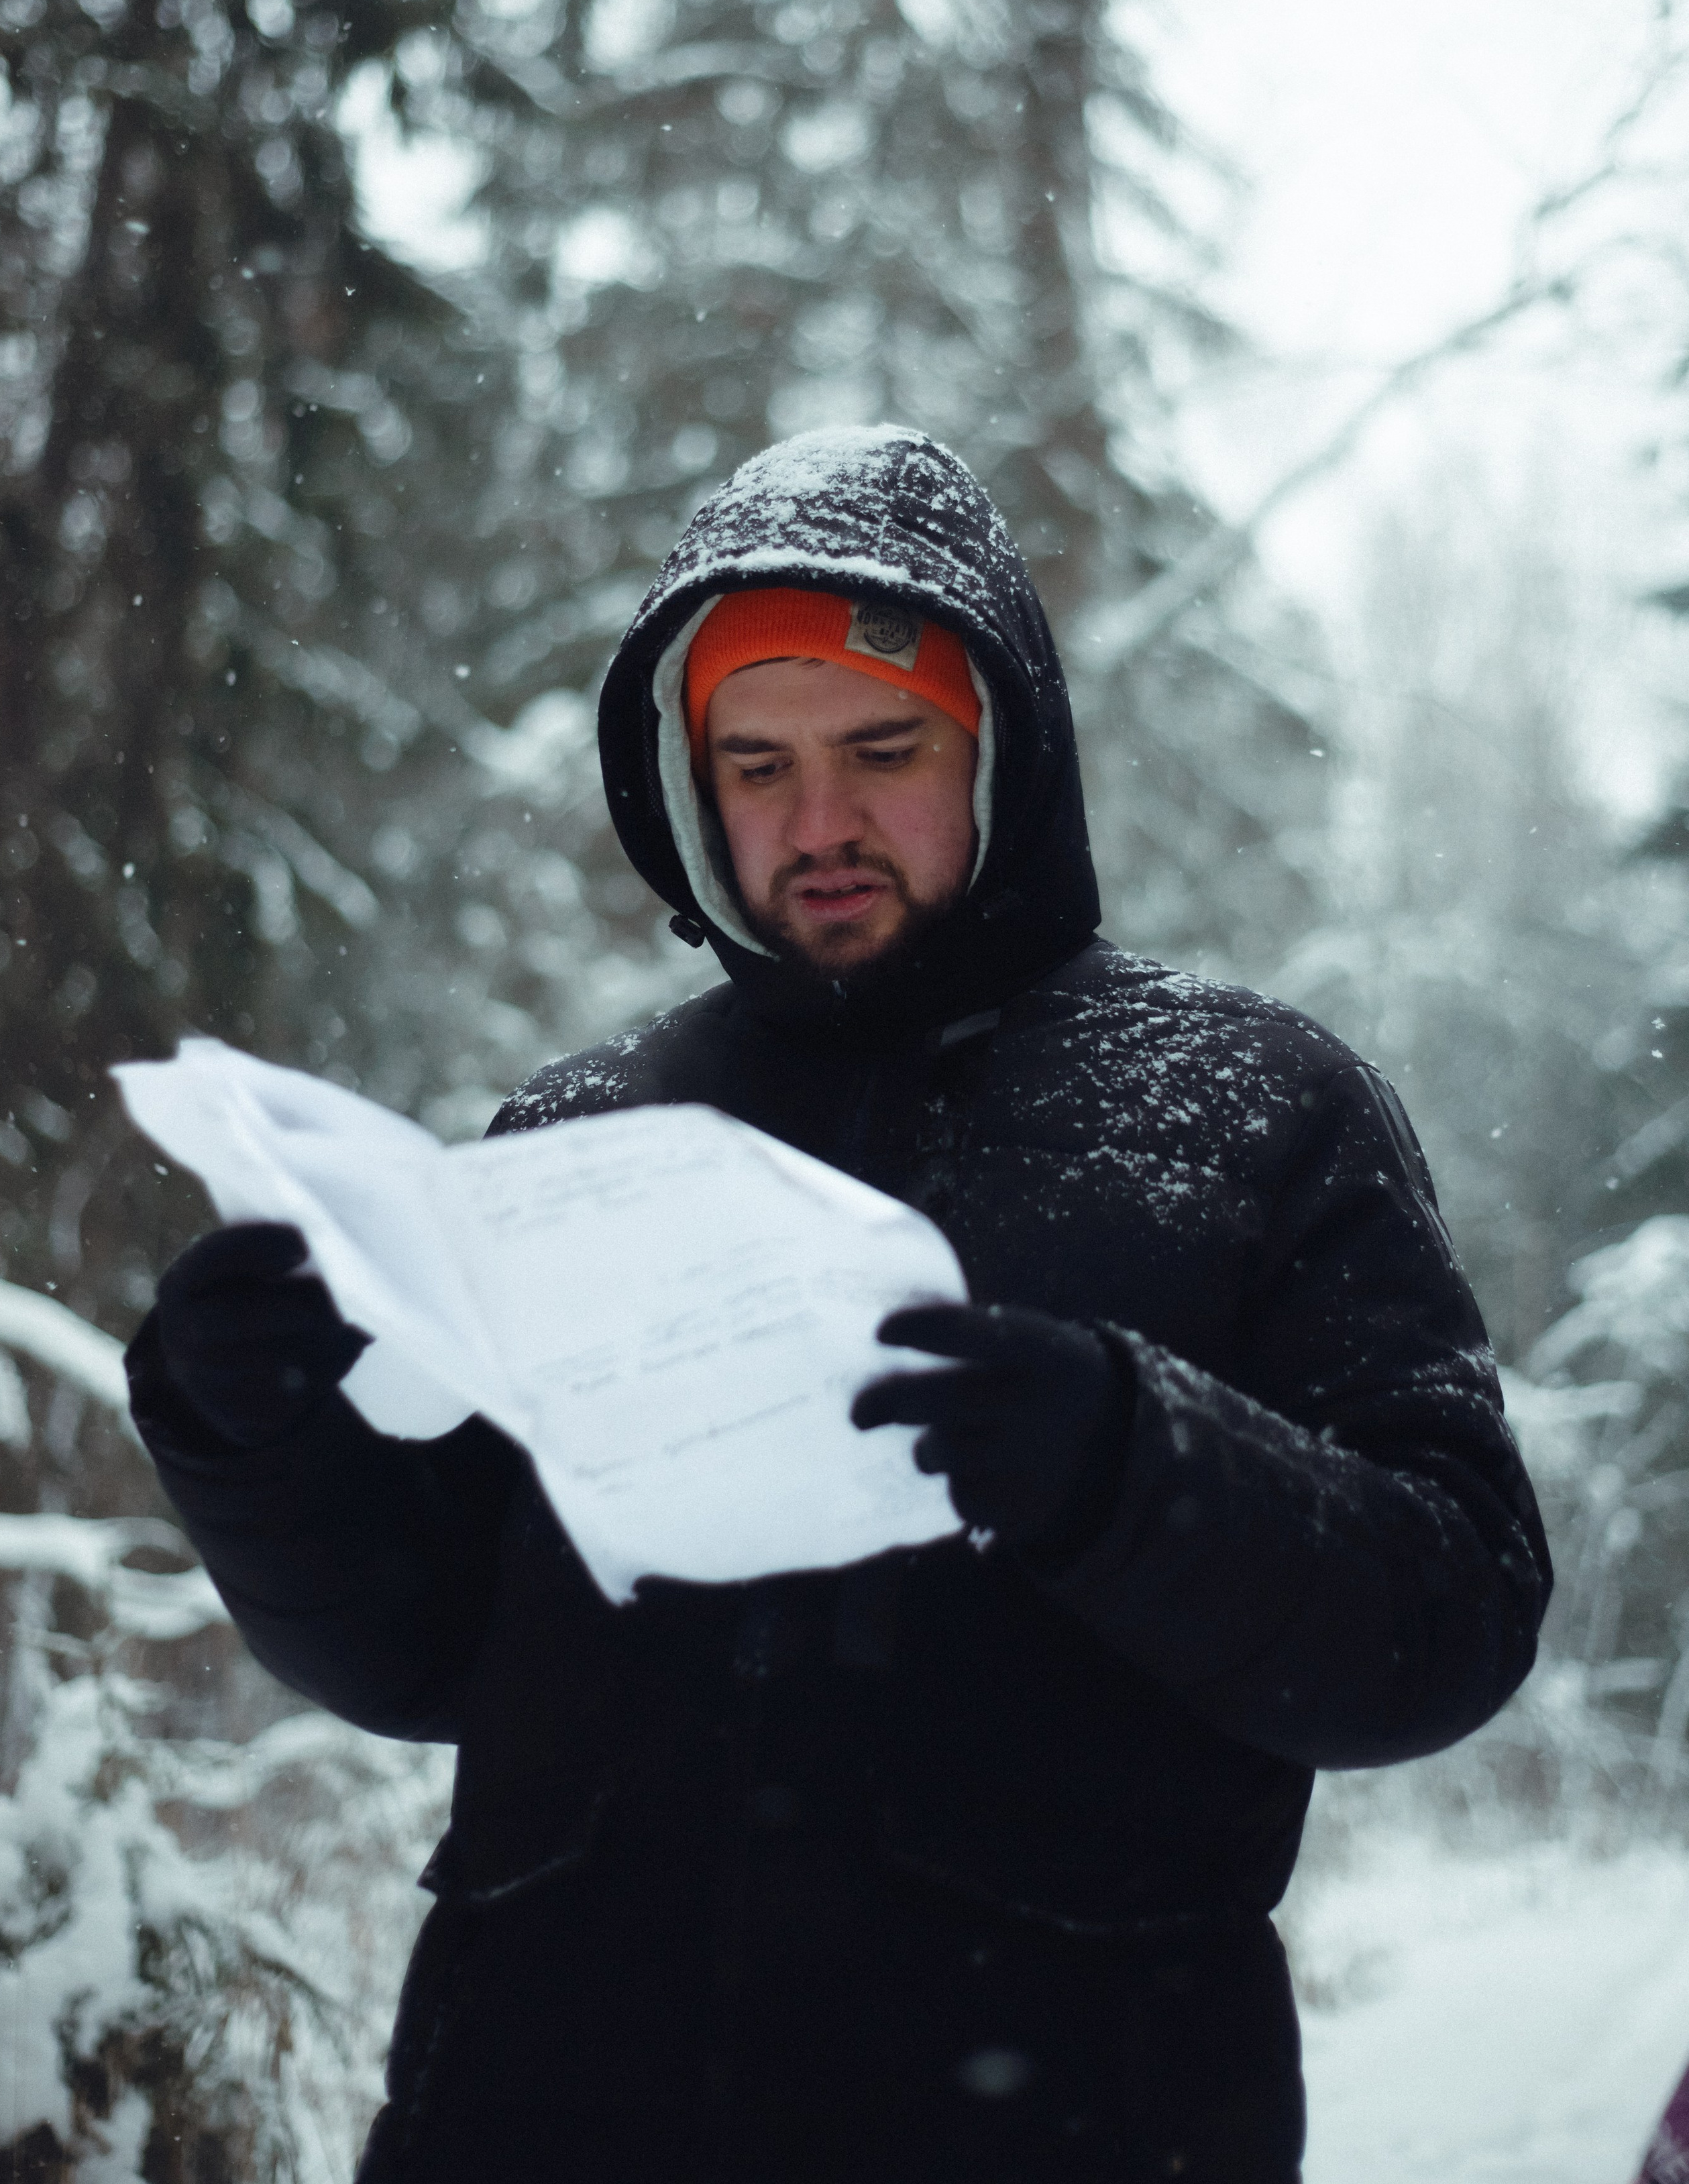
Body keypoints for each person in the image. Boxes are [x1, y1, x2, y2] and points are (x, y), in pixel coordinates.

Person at [127, 425, 1552, 2184]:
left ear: (1001, 748)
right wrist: (259, 1438)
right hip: (536, 2115)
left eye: (885, 750)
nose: (819, 824)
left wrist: (1127, 1461)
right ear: (686, 778)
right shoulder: (576, 1144)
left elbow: (1454, 1608)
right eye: (757, 762)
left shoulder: (1252, 1110)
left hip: (1069, 2123)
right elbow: (424, 1657)